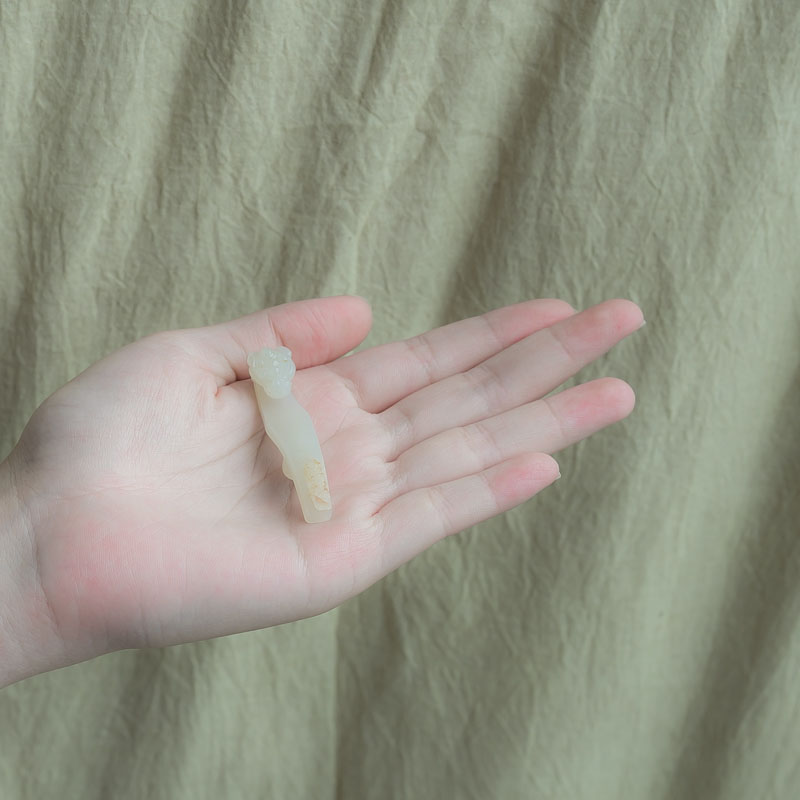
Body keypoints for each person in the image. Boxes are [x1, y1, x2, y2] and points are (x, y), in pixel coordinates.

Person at [0, 294, 644, 688]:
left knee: (307, 463)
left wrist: (31, 558)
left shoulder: (282, 404)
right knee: (304, 460)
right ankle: (312, 495)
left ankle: (313, 495)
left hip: (296, 438)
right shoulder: (274, 404)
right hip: (289, 436)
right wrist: (30, 548)